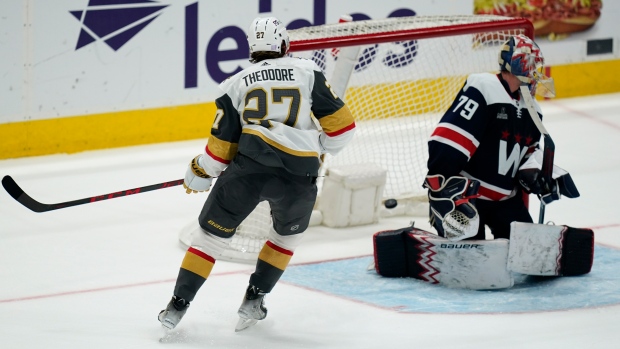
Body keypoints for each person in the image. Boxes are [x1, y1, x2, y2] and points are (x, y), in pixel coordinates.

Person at [158, 17, 356, 332]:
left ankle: (176, 306)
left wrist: (200, 169)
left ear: (252, 48)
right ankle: (254, 298)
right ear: (283, 44)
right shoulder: (308, 72)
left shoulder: (235, 83)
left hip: (247, 172)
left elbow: (221, 149)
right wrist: (318, 145)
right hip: (298, 176)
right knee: (285, 237)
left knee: (208, 239)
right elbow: (343, 129)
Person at [422, 34, 577, 242]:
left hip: (506, 201)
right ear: (518, 65)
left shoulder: (534, 110)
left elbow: (526, 153)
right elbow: (448, 142)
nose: (535, 73)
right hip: (468, 198)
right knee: (471, 264)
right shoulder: (484, 87)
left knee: (530, 249)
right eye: (532, 65)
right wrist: (440, 187)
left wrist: (538, 173)